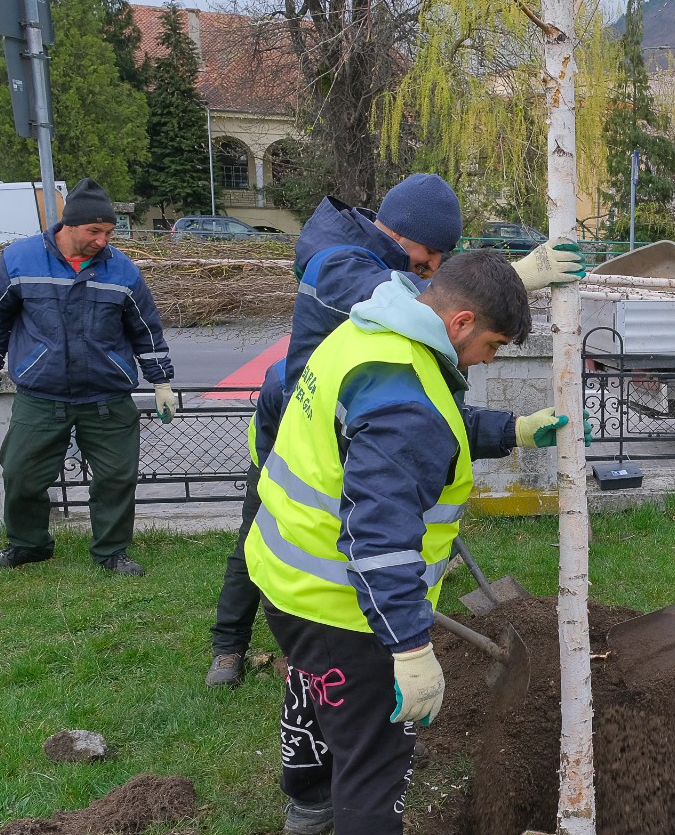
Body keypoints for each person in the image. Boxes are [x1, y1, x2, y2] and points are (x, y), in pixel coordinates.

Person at [245, 250, 529, 835]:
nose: (485, 360)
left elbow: (410, 420)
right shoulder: (404, 393)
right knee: (374, 768)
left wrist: (510, 430)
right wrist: (408, 646)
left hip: (285, 576)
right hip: (344, 606)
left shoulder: (371, 330)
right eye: (491, 347)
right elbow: (381, 540)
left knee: (316, 691)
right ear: (460, 320)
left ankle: (304, 798)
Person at [206, 173, 583, 686]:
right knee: (268, 540)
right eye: (428, 257)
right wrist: (507, 280)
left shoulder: (376, 263)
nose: (430, 270)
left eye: (440, 263)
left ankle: (336, 652)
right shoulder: (336, 262)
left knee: (357, 543)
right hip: (300, 437)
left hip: (351, 430)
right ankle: (229, 647)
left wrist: (511, 430)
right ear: (400, 234)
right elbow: (408, 302)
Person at [0, 178, 174, 577]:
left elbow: (146, 330)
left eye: (109, 232)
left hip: (107, 396)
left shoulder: (123, 270)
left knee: (116, 478)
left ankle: (112, 552)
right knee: (21, 473)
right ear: (68, 225)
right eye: (94, 231)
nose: (103, 240)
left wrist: (161, 381)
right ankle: (28, 545)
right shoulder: (20, 259)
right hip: (41, 394)